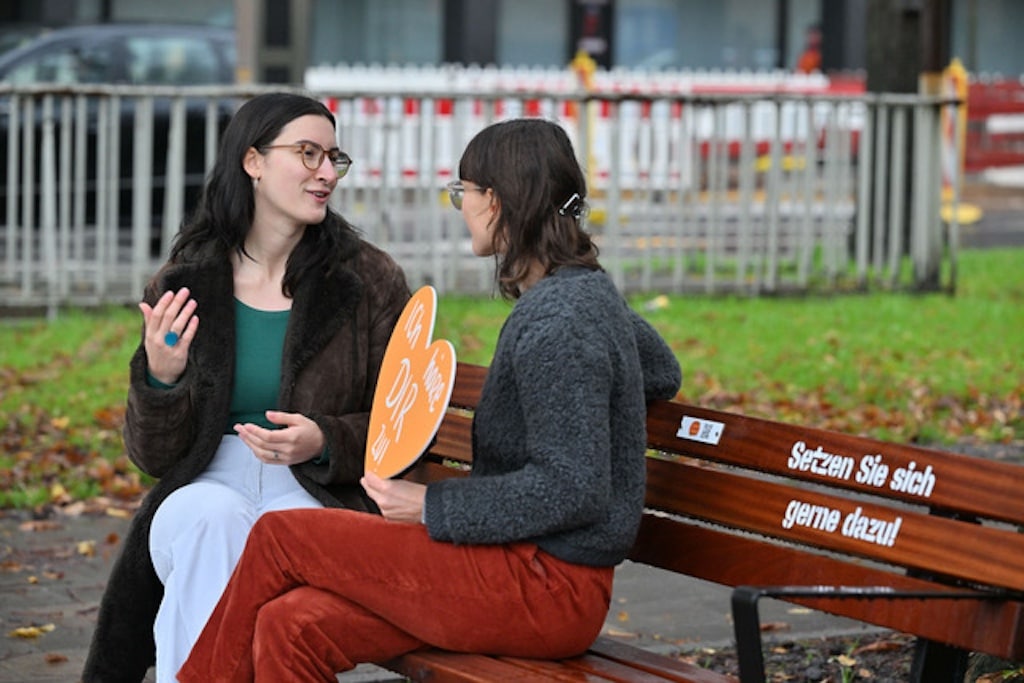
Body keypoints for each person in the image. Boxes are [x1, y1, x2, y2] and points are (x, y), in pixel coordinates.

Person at [175, 118, 683, 682]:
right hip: (517, 568)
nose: (460, 205)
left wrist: (428, 508)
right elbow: (662, 371)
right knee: (293, 624)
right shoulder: (582, 294)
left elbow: (573, 488)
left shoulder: (560, 319)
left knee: (281, 536)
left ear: (497, 200)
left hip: (544, 586)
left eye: (463, 191)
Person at [82, 93, 411, 683]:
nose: (326, 172)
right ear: (253, 162)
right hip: (207, 476)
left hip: (315, 487)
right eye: (307, 153)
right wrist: (161, 376)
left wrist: (326, 440)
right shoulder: (188, 278)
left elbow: (403, 421)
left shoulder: (367, 280)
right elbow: (153, 458)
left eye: (334, 157)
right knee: (213, 522)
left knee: (271, 537)